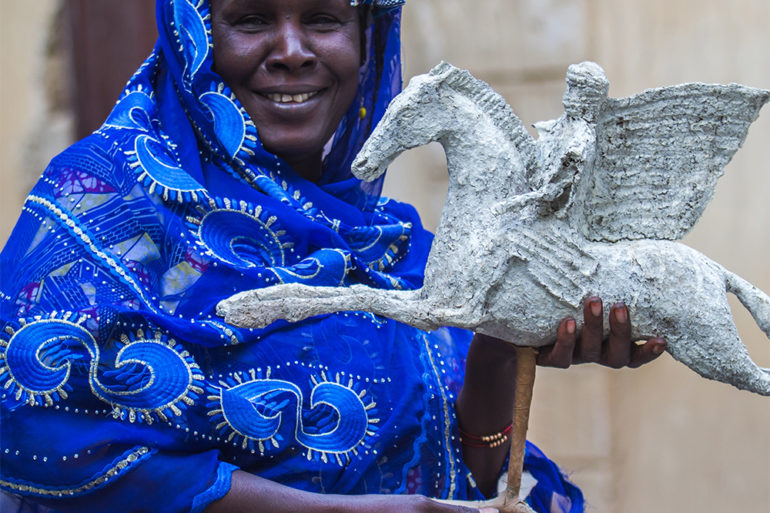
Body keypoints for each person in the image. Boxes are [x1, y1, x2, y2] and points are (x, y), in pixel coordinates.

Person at [0, 1, 666, 512]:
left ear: (368, 38)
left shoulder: (397, 251)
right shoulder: (105, 204)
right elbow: (26, 425)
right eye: (251, 19)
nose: (292, 51)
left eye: (323, 18)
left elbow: (470, 473)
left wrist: (497, 346)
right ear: (193, 34)